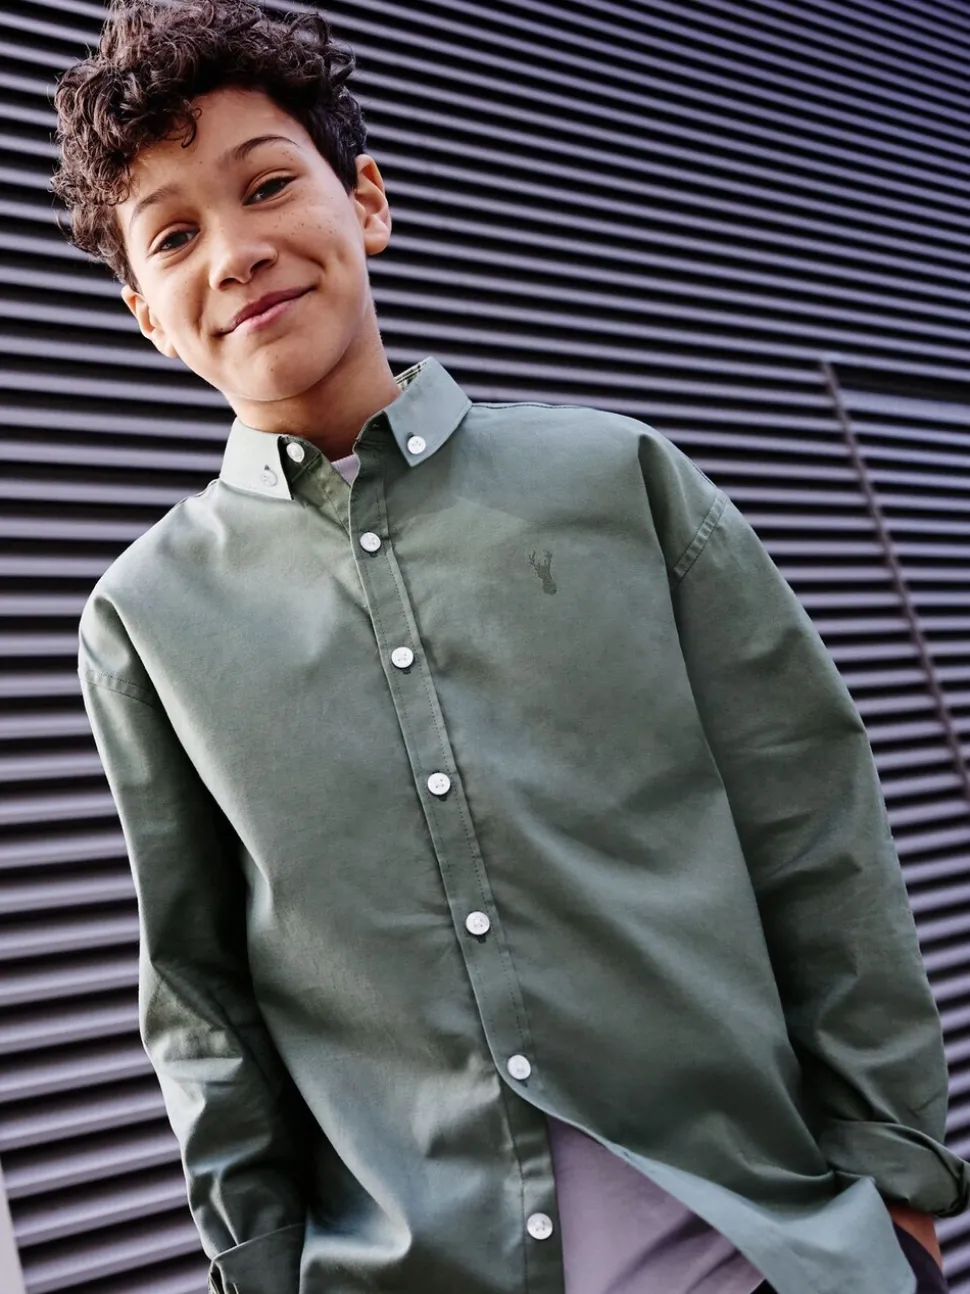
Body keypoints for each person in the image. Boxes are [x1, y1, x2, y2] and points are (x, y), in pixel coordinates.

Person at [51, 2, 967, 1291]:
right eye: (175, 236)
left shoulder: (620, 480)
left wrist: (897, 1193)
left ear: (367, 201)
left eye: (267, 186)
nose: (239, 252)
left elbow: (813, 830)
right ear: (148, 316)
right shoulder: (144, 621)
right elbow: (199, 1001)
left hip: (759, 1252)